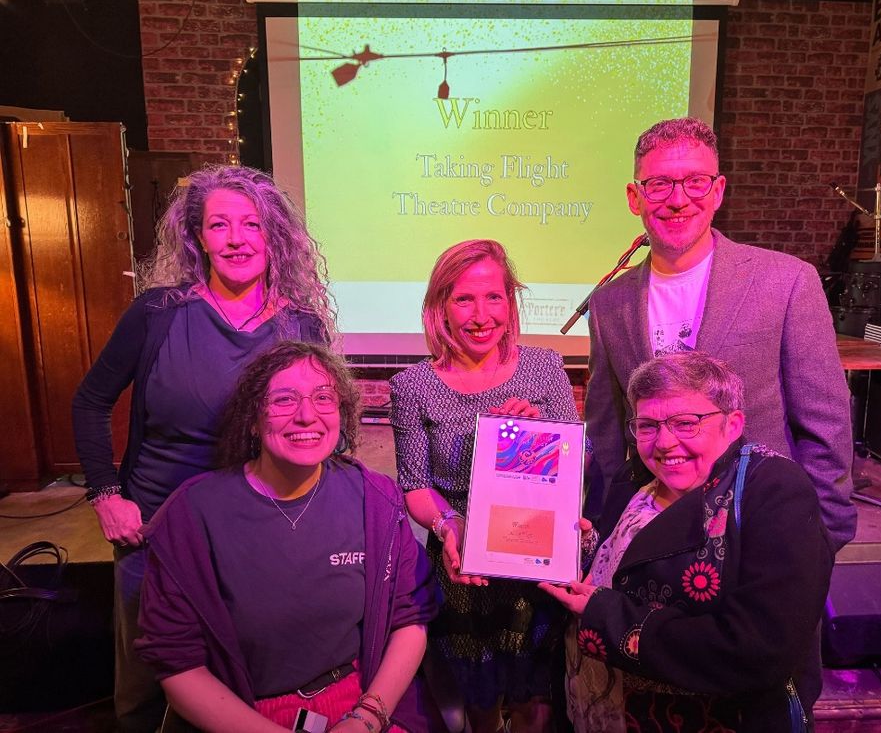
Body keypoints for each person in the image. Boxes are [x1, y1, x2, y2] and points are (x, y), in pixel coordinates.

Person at [72, 165, 335, 731]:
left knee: (241, 680)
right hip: (154, 533)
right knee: (145, 685)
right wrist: (106, 495)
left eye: (251, 224)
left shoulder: (301, 327)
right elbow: (90, 401)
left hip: (257, 532)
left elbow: (316, 430)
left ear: (274, 235)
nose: (237, 239)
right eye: (219, 225)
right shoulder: (158, 314)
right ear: (198, 238)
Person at [584, 117, 856, 556]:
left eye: (695, 182)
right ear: (635, 197)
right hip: (656, 540)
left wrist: (822, 533)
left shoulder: (787, 282)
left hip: (762, 531)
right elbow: (608, 434)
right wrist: (604, 528)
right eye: (659, 185)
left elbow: (826, 424)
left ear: (718, 191)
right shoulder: (608, 304)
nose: (678, 200)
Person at [135, 341, 438, 732]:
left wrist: (367, 718)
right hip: (244, 715)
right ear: (252, 419)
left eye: (323, 397)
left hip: (363, 702)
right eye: (283, 400)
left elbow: (409, 619)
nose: (307, 416)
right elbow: (178, 664)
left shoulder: (375, 499)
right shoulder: (191, 515)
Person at [542, 352, 834, 733]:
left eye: (686, 423)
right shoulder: (634, 478)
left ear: (733, 424)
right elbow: (620, 566)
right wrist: (583, 548)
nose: (664, 442)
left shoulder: (772, 490)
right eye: (648, 425)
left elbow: (758, 648)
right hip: (593, 711)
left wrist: (608, 617)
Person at [389, 239, 581, 733]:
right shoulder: (412, 386)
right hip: (462, 560)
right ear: (441, 307)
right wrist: (449, 524)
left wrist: (539, 436)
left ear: (510, 300)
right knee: (479, 699)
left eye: (493, 297)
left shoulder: (543, 368)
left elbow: (573, 468)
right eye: (464, 299)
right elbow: (415, 486)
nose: (481, 316)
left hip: (534, 555)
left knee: (534, 696)